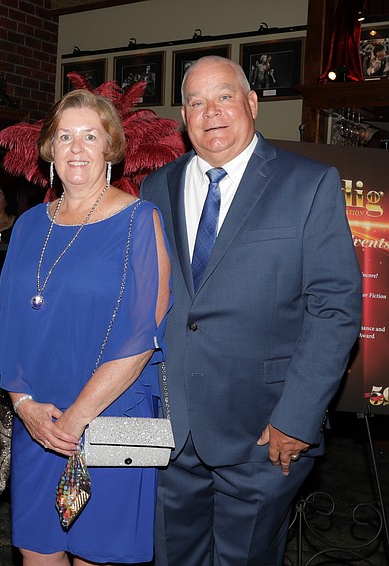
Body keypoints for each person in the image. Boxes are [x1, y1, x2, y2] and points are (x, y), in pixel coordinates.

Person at [140, 56, 361, 565]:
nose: (211, 112)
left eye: (224, 96)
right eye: (196, 102)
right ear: (183, 117)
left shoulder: (308, 183)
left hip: (264, 433)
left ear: (252, 103)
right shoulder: (157, 187)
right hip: (172, 430)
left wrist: (297, 419)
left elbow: (335, 309)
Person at [0, 89, 170, 565]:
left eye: (90, 136)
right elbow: (3, 319)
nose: (76, 148)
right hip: (39, 418)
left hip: (117, 415)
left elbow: (143, 336)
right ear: (49, 148)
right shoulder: (29, 224)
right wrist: (23, 404)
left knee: (100, 556)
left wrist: (76, 419)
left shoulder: (140, 220)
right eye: (65, 136)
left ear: (111, 147)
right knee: (37, 552)